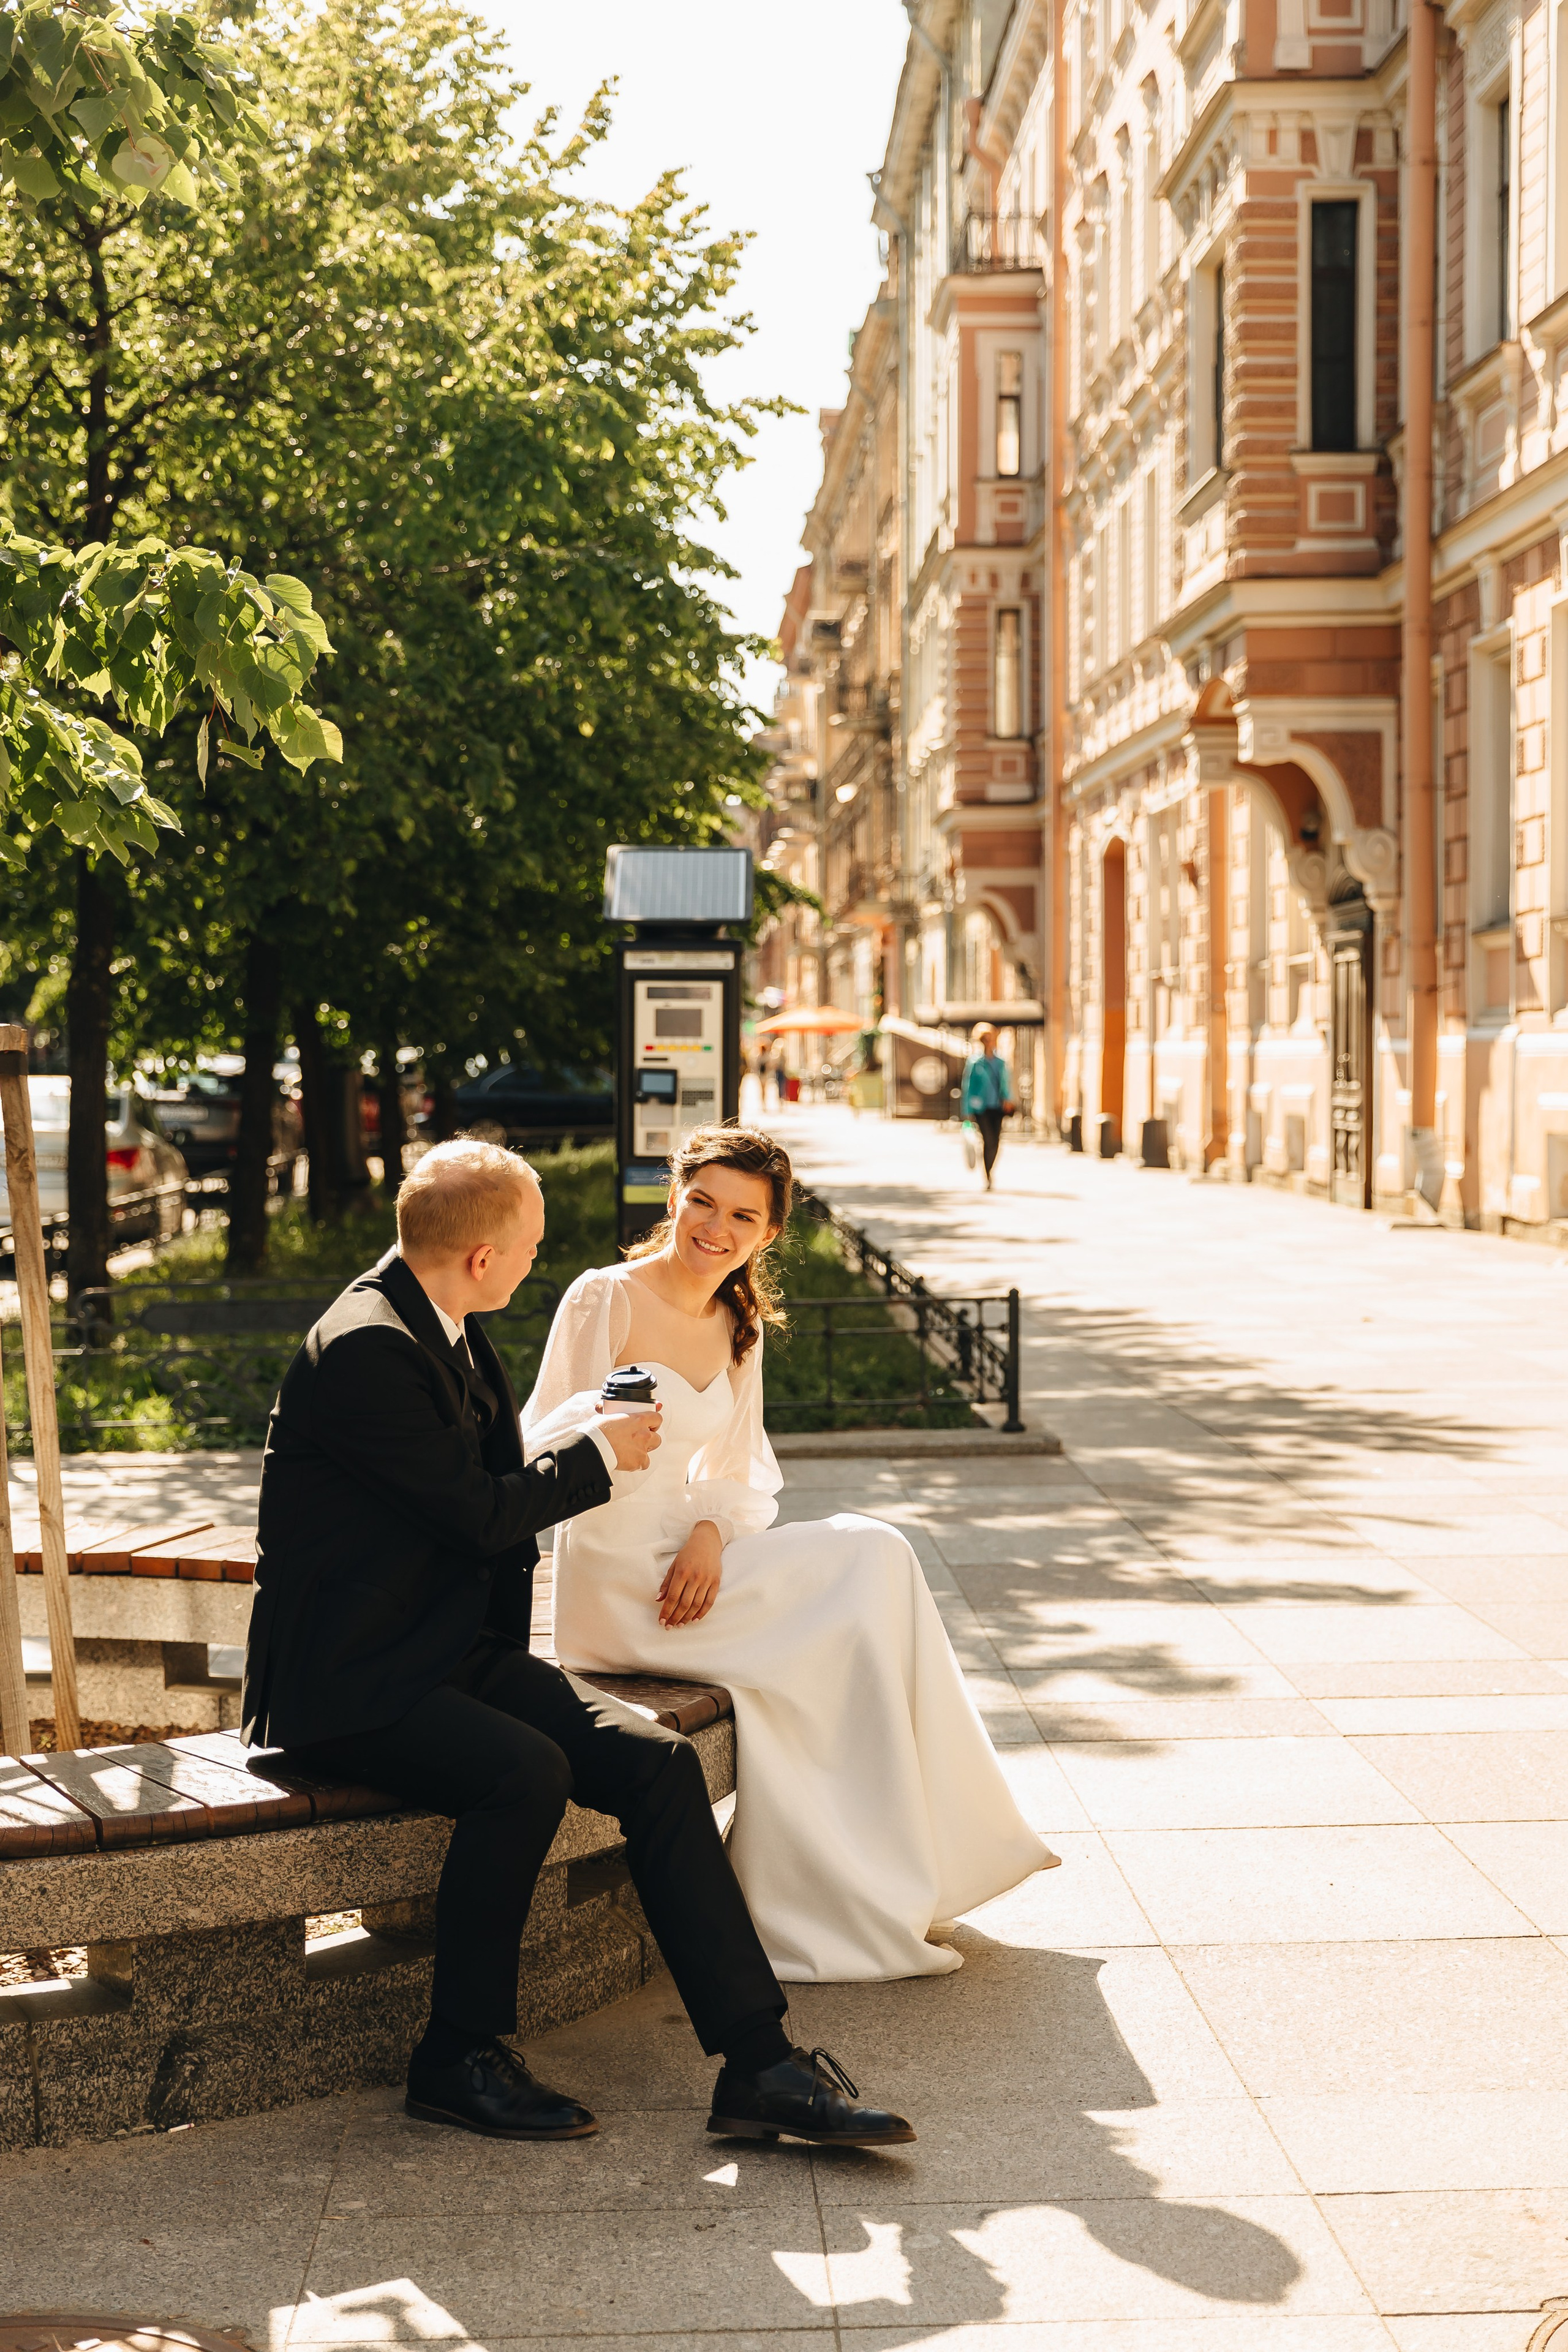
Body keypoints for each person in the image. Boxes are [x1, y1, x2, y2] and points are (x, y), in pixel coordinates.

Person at [243, 1137, 912, 2149]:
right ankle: (455, 2055)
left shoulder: (449, 1328)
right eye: (528, 1246)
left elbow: (482, 1495)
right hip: (349, 1684)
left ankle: (759, 2064)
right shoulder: (369, 1349)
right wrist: (599, 1454)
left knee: (657, 1763)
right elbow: (478, 1515)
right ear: (481, 1257)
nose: (534, 1263)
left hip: (441, 1653)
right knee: (526, 1774)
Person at [524, 1125, 1054, 1986]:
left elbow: (738, 1477)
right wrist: (601, 1433)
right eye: (702, 1201)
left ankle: (905, 1871)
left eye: (743, 1215)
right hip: (619, 1582)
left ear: (769, 1234)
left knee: (878, 1565)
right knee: (858, 1590)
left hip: (692, 1560)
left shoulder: (740, 1322)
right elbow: (537, 1440)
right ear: (674, 1198)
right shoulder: (605, 1297)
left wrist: (708, 1531)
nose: (715, 1228)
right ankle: (848, 1889)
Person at [960, 1023, 1016, 1189]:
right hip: (981, 1107)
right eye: (985, 1039)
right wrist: (967, 1110)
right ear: (981, 1040)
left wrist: (1008, 1099)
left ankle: (989, 1169)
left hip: (997, 1106)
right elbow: (968, 1086)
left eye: (990, 1038)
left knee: (996, 1142)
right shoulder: (975, 1062)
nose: (988, 1041)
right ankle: (988, 1176)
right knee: (988, 1139)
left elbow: (1005, 1083)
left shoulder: (1000, 1062)